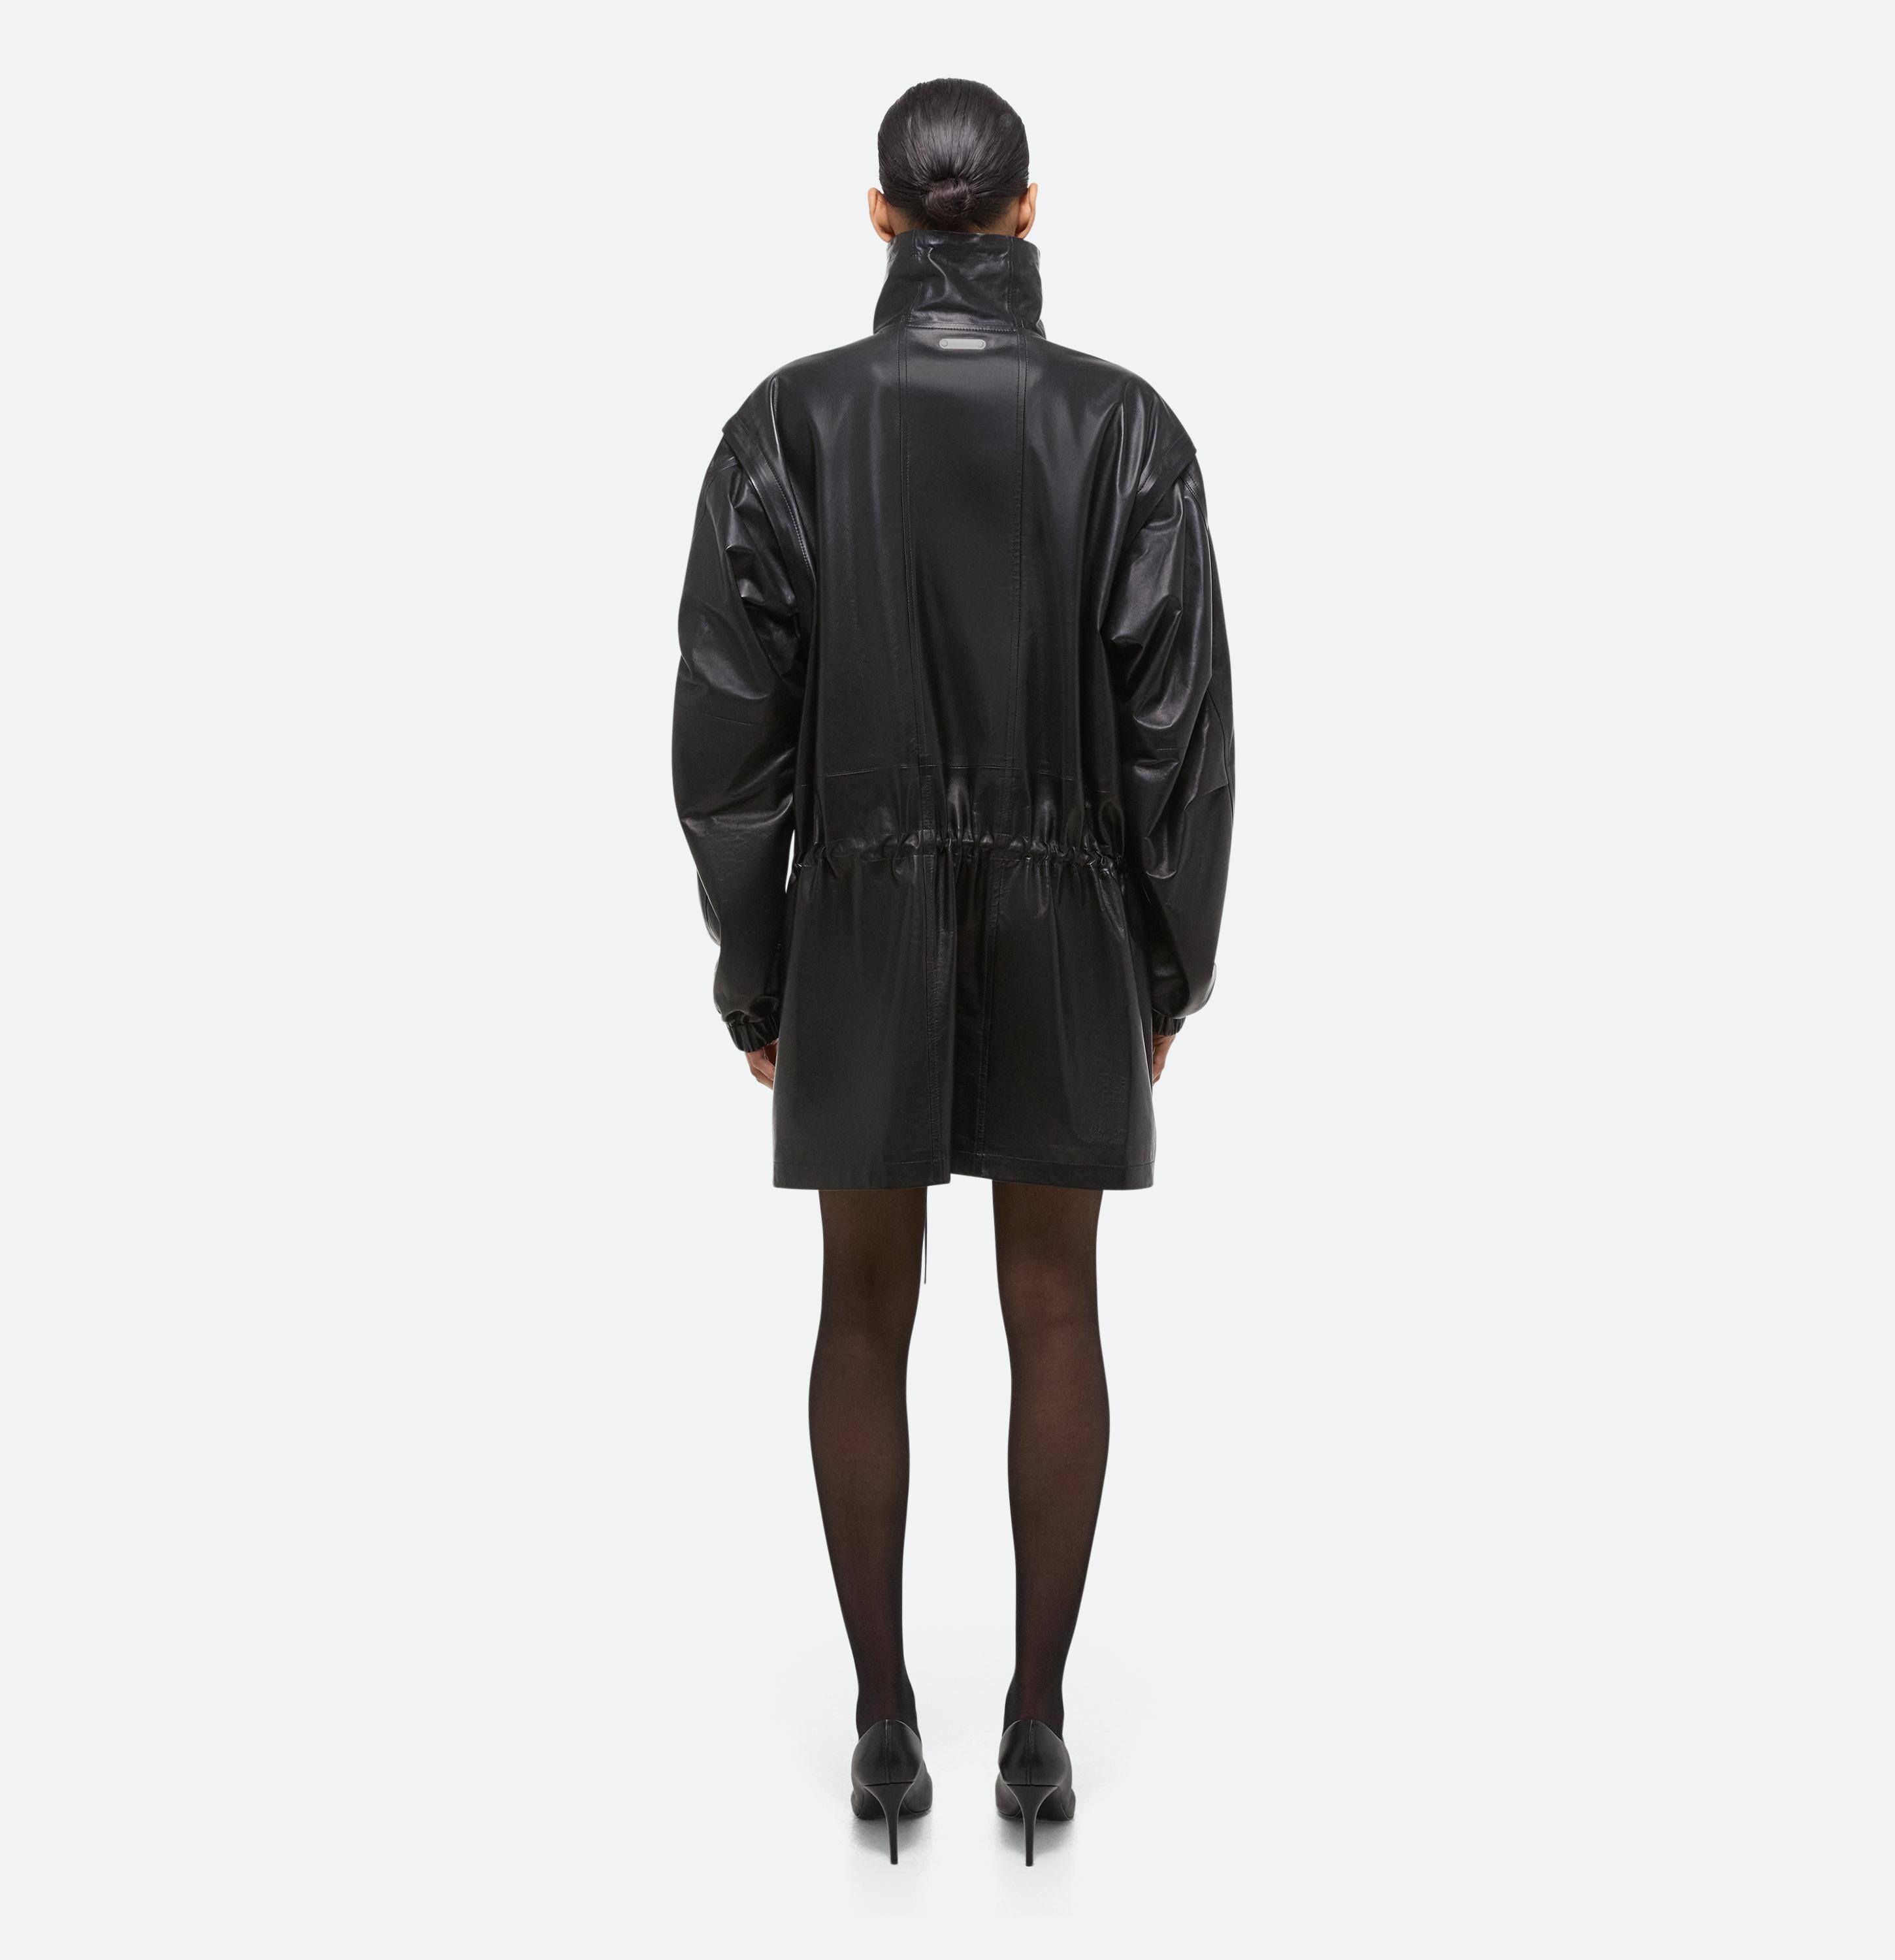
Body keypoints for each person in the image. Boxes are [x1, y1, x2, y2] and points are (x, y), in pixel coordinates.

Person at [672, 76, 1234, 1865]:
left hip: (857, 918)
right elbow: (1179, 735)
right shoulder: (1126, 429)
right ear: (1029, 210)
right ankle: (1039, 1728)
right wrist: (1167, 971)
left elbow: (729, 739)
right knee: (1056, 1306)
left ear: (878, 216)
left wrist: (759, 974)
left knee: (861, 1309)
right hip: (1072, 921)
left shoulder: (789, 425)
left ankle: (882, 1727)